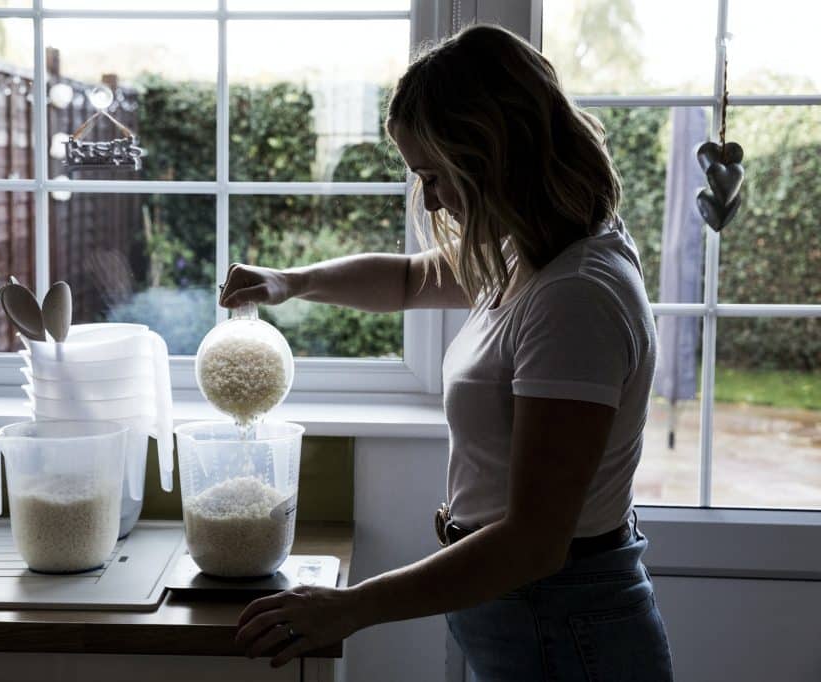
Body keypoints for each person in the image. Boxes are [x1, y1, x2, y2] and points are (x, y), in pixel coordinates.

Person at [223, 22, 674, 681]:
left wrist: (349, 608)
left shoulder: (574, 298)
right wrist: (293, 282)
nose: (430, 196)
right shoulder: (533, 249)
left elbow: (534, 542)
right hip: (536, 616)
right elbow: (413, 278)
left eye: (436, 174)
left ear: (497, 156)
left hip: (563, 627)